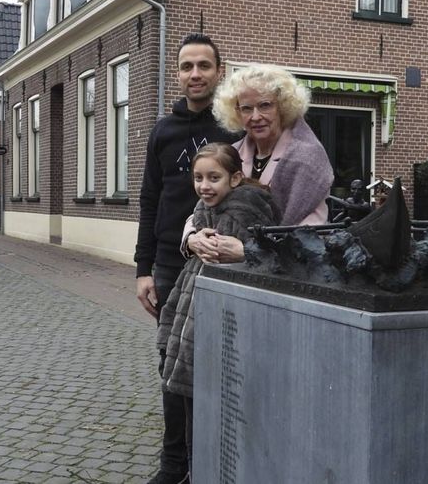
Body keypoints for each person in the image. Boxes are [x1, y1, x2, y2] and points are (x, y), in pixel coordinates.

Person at [135, 32, 240, 484]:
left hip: (218, 264)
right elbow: (148, 200)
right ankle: (174, 464)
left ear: (219, 72)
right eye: (186, 66)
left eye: (204, 66)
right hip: (169, 264)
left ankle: (211, 459)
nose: (195, 74)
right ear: (177, 74)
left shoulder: (234, 130)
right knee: (171, 364)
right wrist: (143, 270)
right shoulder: (163, 130)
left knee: (217, 361)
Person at [157, 143, 279, 471]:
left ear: (235, 178)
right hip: (195, 310)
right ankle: (190, 467)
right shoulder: (205, 208)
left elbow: (267, 251)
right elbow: (195, 232)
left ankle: (205, 470)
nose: (204, 185)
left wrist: (242, 249)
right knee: (192, 403)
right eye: (198, 177)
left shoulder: (245, 211)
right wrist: (192, 238)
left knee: (212, 406)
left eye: (213, 177)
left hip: (221, 314)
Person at [186, 63, 334, 264]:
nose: (255, 117)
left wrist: (251, 251)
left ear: (282, 106)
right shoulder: (234, 151)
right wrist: (192, 238)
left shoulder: (307, 158)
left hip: (284, 281)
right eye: (246, 108)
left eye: (265, 105)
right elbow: (204, 205)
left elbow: (313, 234)